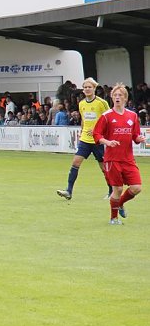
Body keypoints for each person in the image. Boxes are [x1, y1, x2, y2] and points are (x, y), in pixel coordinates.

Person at [93, 83, 145, 225]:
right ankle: (113, 218)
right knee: (118, 189)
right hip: (112, 159)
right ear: (111, 98)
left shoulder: (133, 116)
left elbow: (135, 136)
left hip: (128, 159)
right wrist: (107, 142)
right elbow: (96, 134)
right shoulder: (106, 116)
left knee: (136, 187)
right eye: (115, 95)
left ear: (125, 98)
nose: (117, 97)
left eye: (120, 95)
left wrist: (139, 139)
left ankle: (120, 203)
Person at [57, 77, 110, 201]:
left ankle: (111, 191)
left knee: (103, 168)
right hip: (85, 139)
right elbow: (83, 120)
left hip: (98, 141)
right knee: (75, 163)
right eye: (85, 87)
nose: (87, 89)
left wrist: (100, 132)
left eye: (89, 87)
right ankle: (69, 191)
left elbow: (109, 119)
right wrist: (81, 132)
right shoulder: (81, 104)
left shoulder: (101, 103)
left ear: (94, 88)